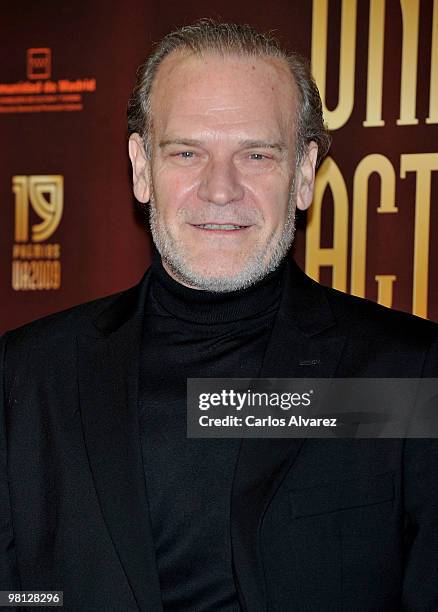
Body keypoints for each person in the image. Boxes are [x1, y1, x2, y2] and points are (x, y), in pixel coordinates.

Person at [1, 18, 438, 612]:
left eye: (257, 155)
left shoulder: (405, 376)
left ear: (305, 173)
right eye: (187, 152)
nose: (220, 189)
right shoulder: (26, 376)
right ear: (140, 166)